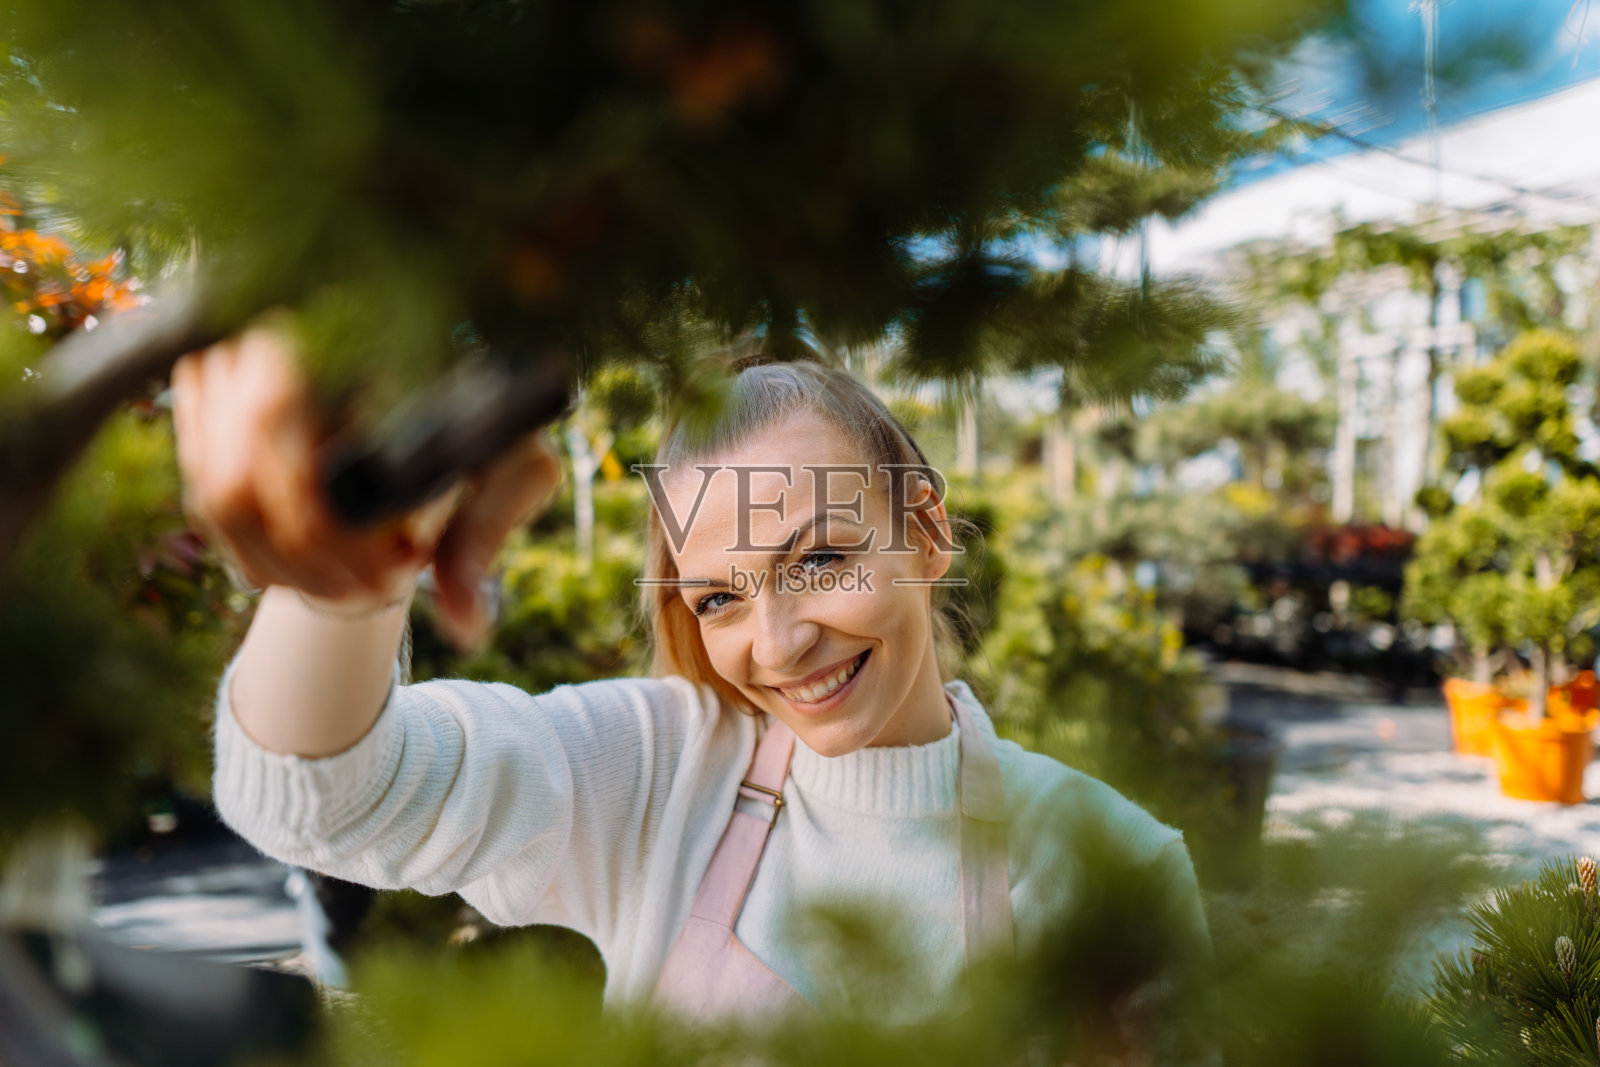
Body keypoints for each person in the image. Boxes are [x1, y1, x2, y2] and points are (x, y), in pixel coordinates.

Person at [172, 325, 1210, 1029]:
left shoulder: (1112, 857)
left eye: (817, 560)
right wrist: (351, 569)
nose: (778, 640)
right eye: (717, 597)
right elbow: (320, 797)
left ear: (927, 530)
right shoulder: (667, 770)